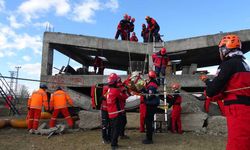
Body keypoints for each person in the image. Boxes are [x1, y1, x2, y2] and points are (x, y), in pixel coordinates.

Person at [200, 34, 250, 150]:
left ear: (225, 49)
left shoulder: (228, 64)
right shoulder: (244, 64)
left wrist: (208, 88)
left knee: (237, 143)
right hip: (245, 107)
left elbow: (213, 90)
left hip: (237, 109)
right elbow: (229, 88)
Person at [106, 73, 126, 150]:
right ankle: (114, 144)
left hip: (110, 113)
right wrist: (126, 92)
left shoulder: (109, 90)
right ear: (114, 82)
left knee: (112, 128)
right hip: (116, 113)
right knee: (116, 129)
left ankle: (112, 142)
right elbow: (123, 97)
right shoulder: (115, 91)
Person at [141, 70, 160, 144]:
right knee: (149, 121)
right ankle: (149, 137)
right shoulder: (154, 84)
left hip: (150, 105)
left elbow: (149, 96)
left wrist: (144, 92)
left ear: (149, 77)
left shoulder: (151, 85)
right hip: (153, 104)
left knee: (148, 121)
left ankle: (149, 139)